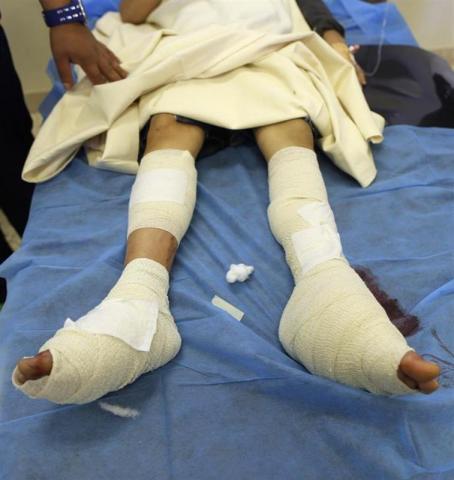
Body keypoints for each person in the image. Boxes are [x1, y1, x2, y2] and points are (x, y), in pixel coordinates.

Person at [12, 0, 440, 404]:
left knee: (289, 121)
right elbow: (133, 10)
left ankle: (323, 278)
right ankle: (138, 296)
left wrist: (330, 39)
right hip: (189, 45)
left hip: (264, 36)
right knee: (169, 127)